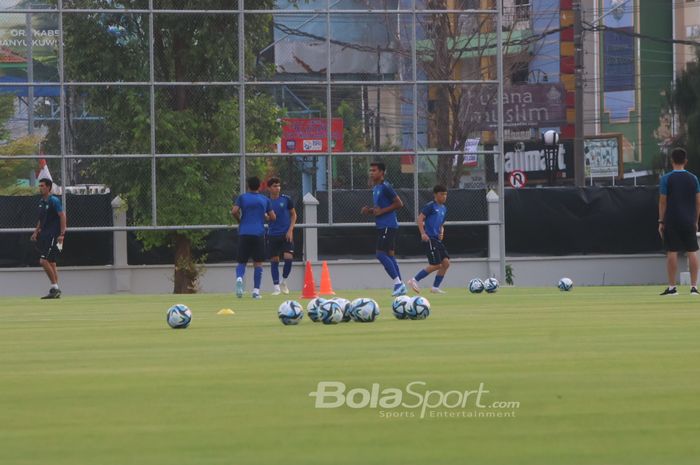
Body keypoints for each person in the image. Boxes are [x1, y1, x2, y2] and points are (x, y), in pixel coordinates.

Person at [658, 147, 700, 296]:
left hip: (672, 220)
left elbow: (663, 202)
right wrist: (696, 220)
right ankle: (694, 287)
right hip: (689, 220)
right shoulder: (693, 178)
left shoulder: (666, 179)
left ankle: (672, 288)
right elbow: (698, 202)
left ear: (671, 161)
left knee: (672, 252)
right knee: (692, 252)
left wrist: (661, 221)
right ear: (686, 161)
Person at [360, 162, 406, 296]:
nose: (371, 173)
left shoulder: (386, 187)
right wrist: (369, 211)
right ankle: (400, 285)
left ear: (382, 173)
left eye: (374, 170)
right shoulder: (376, 188)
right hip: (383, 226)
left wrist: (382, 211)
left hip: (388, 225)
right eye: (371, 170)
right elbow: (378, 210)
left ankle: (398, 283)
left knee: (380, 254)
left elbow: (399, 203)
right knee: (390, 255)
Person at [232, 176, 276, 299]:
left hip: (244, 232)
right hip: (258, 233)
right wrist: (265, 217)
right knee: (258, 263)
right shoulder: (264, 199)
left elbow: (234, 211)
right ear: (260, 186)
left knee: (242, 261)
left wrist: (240, 221)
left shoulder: (242, 197)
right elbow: (273, 217)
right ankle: (256, 291)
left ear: (248, 186)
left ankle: (240, 278)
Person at [408, 185, 450, 294]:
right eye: (442, 194)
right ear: (435, 195)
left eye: (445, 194)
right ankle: (414, 280)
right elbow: (420, 218)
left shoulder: (444, 208)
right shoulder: (430, 206)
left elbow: (441, 224)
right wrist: (423, 233)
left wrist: (442, 232)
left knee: (446, 263)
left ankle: (435, 288)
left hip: (437, 239)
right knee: (436, 264)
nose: (444, 196)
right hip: (430, 238)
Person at [30, 178, 67, 299]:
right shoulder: (41, 202)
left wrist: (62, 234)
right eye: (39, 185)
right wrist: (36, 232)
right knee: (51, 262)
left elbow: (62, 216)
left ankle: (54, 287)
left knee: (43, 261)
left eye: (42, 185)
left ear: (49, 187)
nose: (40, 187)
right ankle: (56, 290)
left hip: (53, 236)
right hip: (44, 235)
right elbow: (41, 219)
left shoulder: (54, 200)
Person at [266, 177, 297, 295]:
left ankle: (284, 281)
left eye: (278, 185)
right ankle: (276, 288)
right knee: (274, 260)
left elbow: (294, 215)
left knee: (288, 257)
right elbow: (266, 217)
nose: (277, 188)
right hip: (273, 234)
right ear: (269, 188)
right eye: (274, 186)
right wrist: (266, 217)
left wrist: (290, 230)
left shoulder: (286, 199)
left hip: (286, 234)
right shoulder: (266, 202)